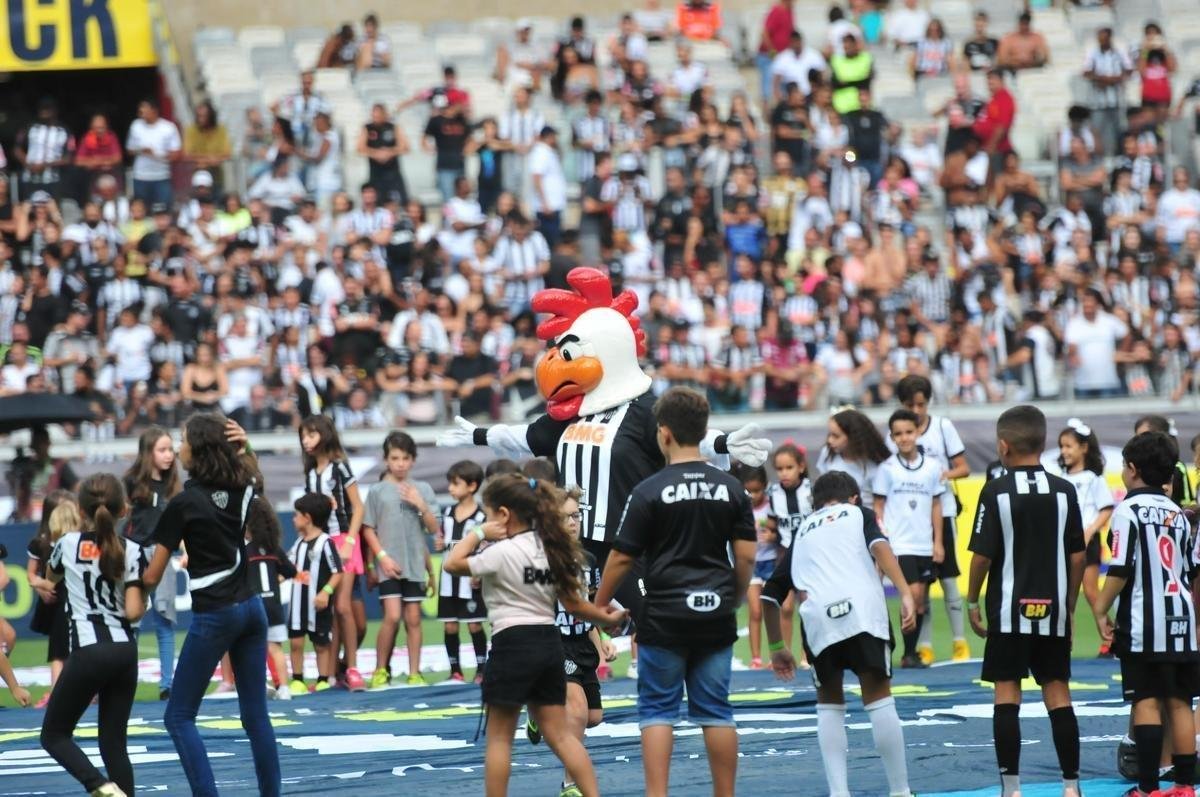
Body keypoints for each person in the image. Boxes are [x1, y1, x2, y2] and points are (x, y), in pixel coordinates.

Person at [594, 387, 757, 797]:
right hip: (716, 610)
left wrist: (598, 605)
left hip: (663, 614)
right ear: (702, 431)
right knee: (717, 711)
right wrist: (733, 598)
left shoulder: (648, 490)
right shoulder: (732, 488)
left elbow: (620, 558)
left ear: (662, 433)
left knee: (657, 712)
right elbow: (747, 558)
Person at [444, 473, 623, 797]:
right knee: (564, 736)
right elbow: (575, 605)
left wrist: (479, 532)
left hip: (512, 644)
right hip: (548, 645)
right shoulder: (554, 552)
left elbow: (452, 564)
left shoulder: (502, 551)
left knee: (500, 738)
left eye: (488, 514)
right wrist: (608, 619)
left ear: (504, 515)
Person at [143, 414, 280, 797]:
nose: (178, 446)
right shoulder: (242, 489)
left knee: (179, 716)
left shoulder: (183, 504)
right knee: (256, 717)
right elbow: (255, 477)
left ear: (197, 450)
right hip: (251, 609)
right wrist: (246, 446)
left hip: (216, 615)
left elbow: (152, 576)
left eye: (183, 440)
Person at [762, 470, 916, 797]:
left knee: (829, 703)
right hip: (863, 615)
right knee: (879, 698)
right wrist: (904, 592)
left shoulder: (802, 529)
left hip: (819, 622)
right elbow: (881, 547)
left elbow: (769, 594)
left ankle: (839, 793)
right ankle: (900, 792)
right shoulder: (859, 514)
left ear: (814, 503)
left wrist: (777, 646)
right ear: (854, 498)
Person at [965, 405, 1085, 797]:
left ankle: (1012, 789)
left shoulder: (995, 490)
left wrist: (971, 600)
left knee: (1007, 693)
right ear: (1044, 442)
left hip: (1008, 612)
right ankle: (1071, 787)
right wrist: (1068, 605)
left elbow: (982, 556)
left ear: (1003, 446)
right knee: (1057, 692)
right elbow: (1078, 556)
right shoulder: (1065, 491)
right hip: (1052, 611)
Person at [1095, 431, 1199, 797]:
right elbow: (1191, 570)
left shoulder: (1127, 510)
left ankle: (1148, 787)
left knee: (1146, 700)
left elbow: (1120, 568)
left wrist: (1099, 608)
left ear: (1133, 470)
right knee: (1181, 702)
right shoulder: (1178, 513)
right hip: (1181, 619)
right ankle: (1185, 785)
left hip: (1144, 622)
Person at [41, 474, 145, 797]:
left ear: (81, 510)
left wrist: (43, 583)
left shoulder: (66, 544)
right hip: (125, 651)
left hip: (89, 651)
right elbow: (134, 612)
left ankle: (99, 786)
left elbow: (51, 577)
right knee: (114, 745)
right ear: (123, 509)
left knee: (54, 735)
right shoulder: (134, 550)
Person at [526, 483, 619, 797]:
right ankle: (570, 785)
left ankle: (538, 708)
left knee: (593, 718)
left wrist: (602, 639)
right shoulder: (541, 560)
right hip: (554, 644)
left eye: (576, 515)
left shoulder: (589, 560)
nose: (573, 522)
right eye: (566, 517)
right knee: (577, 712)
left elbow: (588, 608)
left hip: (582, 645)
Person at [893, 374, 969, 664]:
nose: (917, 410)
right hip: (911, 519)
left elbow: (963, 466)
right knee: (919, 586)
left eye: (921, 404)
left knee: (949, 579)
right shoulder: (898, 432)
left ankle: (959, 641)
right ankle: (924, 645)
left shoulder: (941, 427)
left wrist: (939, 476)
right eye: (911, 404)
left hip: (943, 509)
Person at [360, 431, 438, 687]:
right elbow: (368, 528)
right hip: (389, 566)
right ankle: (380, 669)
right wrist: (381, 558)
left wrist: (421, 505)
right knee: (392, 616)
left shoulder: (423, 489)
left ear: (413, 460)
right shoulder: (377, 490)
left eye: (405, 458)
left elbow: (433, 528)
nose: (400, 463)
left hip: (414, 564)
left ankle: (415, 672)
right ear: (386, 460)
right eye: (395, 458)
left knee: (414, 619)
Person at [873, 409, 945, 669]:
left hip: (923, 543)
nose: (904, 438)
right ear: (892, 437)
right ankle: (899, 651)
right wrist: (882, 538)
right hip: (898, 544)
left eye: (909, 432)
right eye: (898, 434)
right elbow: (878, 505)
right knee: (910, 597)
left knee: (920, 600)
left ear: (917, 432)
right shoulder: (887, 469)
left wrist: (938, 542)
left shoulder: (933, 468)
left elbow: (936, 505)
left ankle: (909, 653)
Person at [299, 414, 366, 691]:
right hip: (324, 543)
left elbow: (358, 507)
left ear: (324, 435)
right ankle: (330, 673)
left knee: (342, 606)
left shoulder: (340, 469)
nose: (306, 440)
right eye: (303, 435)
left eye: (311, 434)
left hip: (344, 540)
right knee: (331, 611)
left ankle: (352, 669)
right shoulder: (311, 474)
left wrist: (350, 541)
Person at [123, 427, 183, 701]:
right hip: (134, 554)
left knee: (164, 621)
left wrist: (185, 549)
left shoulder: (174, 486)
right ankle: (125, 680)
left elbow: (182, 524)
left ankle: (167, 685)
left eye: (171, 449)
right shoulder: (131, 482)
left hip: (164, 555)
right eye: (162, 449)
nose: (169, 455)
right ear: (148, 453)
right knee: (132, 621)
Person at [1054, 418, 1115, 658]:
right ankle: (1064, 642)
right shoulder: (1060, 477)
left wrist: (1090, 530)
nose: (1064, 451)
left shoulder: (1093, 478)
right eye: (1061, 446)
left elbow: (1107, 509)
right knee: (1064, 595)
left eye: (1069, 446)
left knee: (1090, 592)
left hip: (1087, 542)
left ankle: (1111, 638)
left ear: (1084, 448)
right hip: (1064, 542)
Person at [435, 459, 489, 684]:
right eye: (450, 483)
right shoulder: (446, 513)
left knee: (474, 623)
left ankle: (481, 669)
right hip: (448, 579)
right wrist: (440, 543)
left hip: (470, 580)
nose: (450, 488)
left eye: (455, 483)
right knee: (450, 624)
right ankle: (455, 670)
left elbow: (484, 547)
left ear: (472, 486)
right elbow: (441, 539)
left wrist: (478, 574)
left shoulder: (481, 517)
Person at [244, 473, 296, 700]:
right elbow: (291, 572)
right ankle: (284, 687)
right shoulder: (274, 549)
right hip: (274, 605)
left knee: (253, 647)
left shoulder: (245, 551)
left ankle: (261, 684)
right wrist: (276, 581)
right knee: (275, 648)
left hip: (255, 606)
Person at [25, 489, 76, 708]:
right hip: (54, 604)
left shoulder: (76, 542)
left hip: (73, 600)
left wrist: (46, 583)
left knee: (73, 650)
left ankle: (79, 692)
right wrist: (41, 588)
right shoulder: (41, 543)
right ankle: (57, 695)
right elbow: (31, 575)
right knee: (58, 650)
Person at [286, 493, 342, 692]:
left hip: (317, 606)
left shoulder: (326, 543)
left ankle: (323, 680)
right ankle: (298, 679)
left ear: (307, 518)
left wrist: (325, 592)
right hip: (297, 605)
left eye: (296, 515)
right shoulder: (298, 544)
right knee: (296, 643)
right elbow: (288, 567)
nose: (294, 519)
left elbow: (338, 572)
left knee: (321, 644)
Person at [764, 442, 812, 666]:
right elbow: (773, 523)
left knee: (808, 606)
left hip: (808, 555)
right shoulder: (773, 493)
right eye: (780, 469)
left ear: (801, 467)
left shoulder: (810, 491)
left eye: (789, 467)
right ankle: (785, 655)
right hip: (784, 555)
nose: (784, 473)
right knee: (785, 606)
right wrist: (769, 533)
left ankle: (807, 655)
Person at [740, 463, 775, 669]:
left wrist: (773, 535)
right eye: (748, 491)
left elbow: (778, 528)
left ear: (765, 486)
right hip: (752, 564)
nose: (752, 495)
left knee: (772, 609)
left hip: (770, 560)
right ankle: (755, 658)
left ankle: (775, 654)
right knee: (755, 611)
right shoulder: (741, 507)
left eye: (757, 491)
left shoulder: (772, 505)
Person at [815, 408, 890, 502]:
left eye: (836, 436)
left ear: (853, 437)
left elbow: (880, 502)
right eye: (829, 435)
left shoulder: (875, 465)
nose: (830, 440)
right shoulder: (827, 454)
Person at [126, 98, 181, 208]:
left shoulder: (168, 127)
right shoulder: (135, 126)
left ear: (154, 110)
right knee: (141, 210)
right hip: (140, 176)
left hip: (161, 177)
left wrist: (155, 154)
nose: (141, 111)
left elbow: (176, 155)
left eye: (144, 108)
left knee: (163, 210)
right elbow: (129, 150)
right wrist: (141, 150)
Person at [528, 126, 567, 249]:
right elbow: (537, 177)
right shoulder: (541, 152)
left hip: (553, 203)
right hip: (547, 206)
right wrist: (544, 202)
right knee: (549, 242)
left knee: (554, 241)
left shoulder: (548, 152)